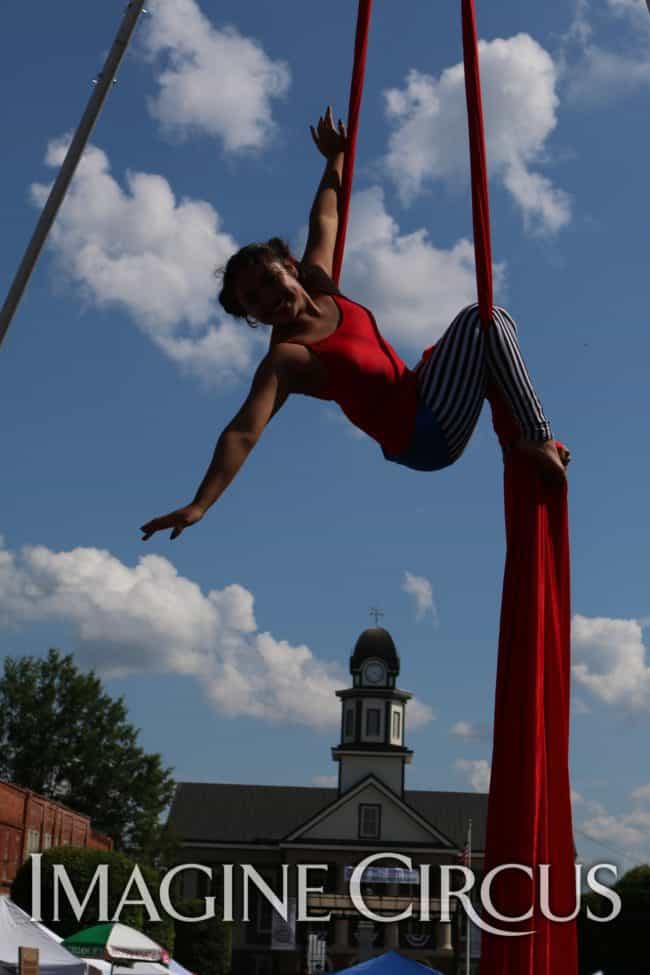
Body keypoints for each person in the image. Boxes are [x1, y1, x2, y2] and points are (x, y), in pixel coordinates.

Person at [141, 107, 568, 542]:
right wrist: (200, 503)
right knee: (487, 319)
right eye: (254, 301)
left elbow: (326, 218)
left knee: (490, 324)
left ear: (290, 267)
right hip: (423, 436)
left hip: (420, 392)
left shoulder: (319, 282)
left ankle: (527, 436)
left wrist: (334, 158)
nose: (270, 300)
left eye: (270, 282)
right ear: (251, 316)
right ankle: (536, 437)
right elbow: (243, 431)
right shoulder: (287, 358)